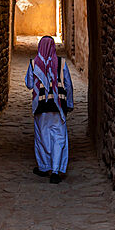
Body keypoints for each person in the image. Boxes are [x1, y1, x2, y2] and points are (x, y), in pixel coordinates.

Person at [25, 35, 74, 183]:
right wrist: (69, 104)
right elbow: (68, 85)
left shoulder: (34, 64)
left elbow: (28, 83)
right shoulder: (62, 63)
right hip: (58, 108)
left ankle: (44, 166)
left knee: (43, 138)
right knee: (59, 138)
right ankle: (55, 170)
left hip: (41, 107)